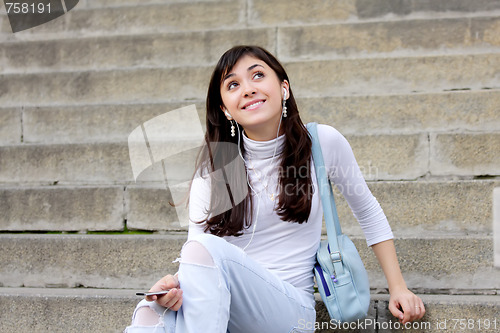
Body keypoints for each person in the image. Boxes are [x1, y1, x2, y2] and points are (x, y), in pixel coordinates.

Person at [124, 45, 425, 333]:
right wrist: (174, 288)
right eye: (232, 85)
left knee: (204, 251)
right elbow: (199, 260)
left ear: (284, 88)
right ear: (226, 110)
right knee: (150, 310)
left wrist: (397, 286)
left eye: (257, 75)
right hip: (227, 311)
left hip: (291, 313)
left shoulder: (321, 144)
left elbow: (368, 211)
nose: (248, 89)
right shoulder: (213, 172)